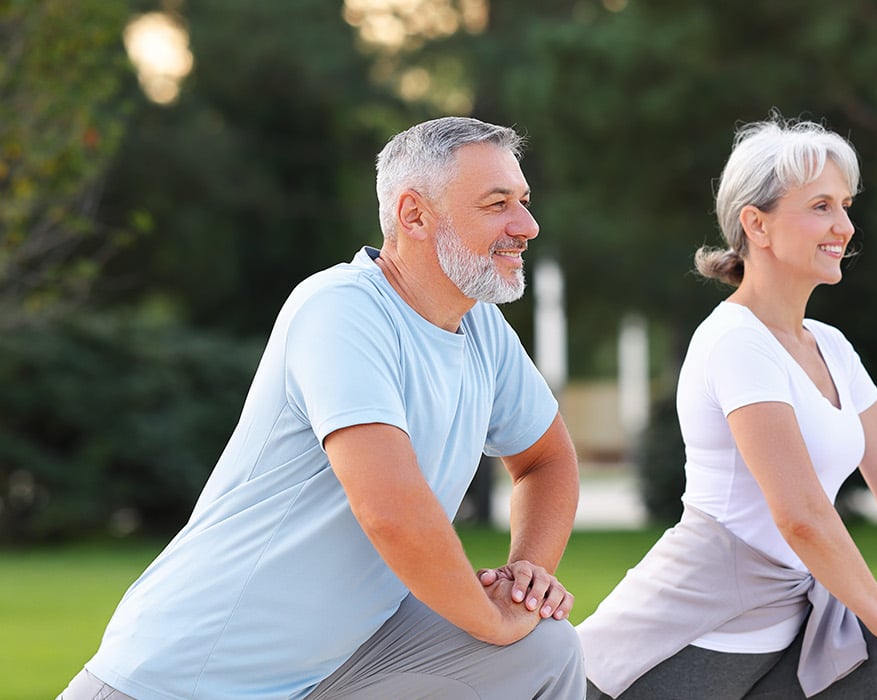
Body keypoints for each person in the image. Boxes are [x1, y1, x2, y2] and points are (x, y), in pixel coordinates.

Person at [55, 116, 586, 700]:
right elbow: (393, 514)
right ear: (414, 215)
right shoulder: (340, 309)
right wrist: (492, 620)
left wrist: (526, 579)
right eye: (497, 204)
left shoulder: (483, 327)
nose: (527, 225)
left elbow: (546, 459)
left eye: (524, 201)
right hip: (184, 676)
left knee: (543, 648)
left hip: (339, 667)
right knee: (515, 638)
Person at [577, 116, 877, 699]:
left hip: (787, 642)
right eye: (821, 207)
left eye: (845, 205)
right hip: (687, 641)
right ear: (756, 224)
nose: (844, 225)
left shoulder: (829, 346)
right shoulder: (735, 339)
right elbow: (800, 514)